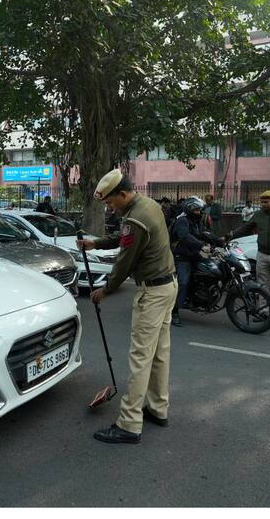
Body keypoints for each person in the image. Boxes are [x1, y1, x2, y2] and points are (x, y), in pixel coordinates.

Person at [77, 169, 177, 444]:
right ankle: (158, 409)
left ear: (123, 194)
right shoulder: (148, 205)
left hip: (152, 293)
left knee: (140, 359)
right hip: (168, 286)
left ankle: (130, 424)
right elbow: (125, 239)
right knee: (159, 354)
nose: (110, 208)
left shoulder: (135, 219)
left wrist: (105, 289)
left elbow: (124, 261)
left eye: (110, 203)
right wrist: (95, 243)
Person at [226, 190, 270, 328]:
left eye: (266, 202)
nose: (263, 205)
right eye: (262, 202)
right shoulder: (258, 215)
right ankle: (265, 312)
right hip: (262, 255)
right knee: (262, 285)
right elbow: (245, 228)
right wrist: (230, 235)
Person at [169, 196, 225, 326]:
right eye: (197, 210)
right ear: (189, 209)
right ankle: (174, 312)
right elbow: (184, 237)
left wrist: (219, 241)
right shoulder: (182, 220)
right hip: (181, 256)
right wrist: (201, 246)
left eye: (200, 210)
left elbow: (204, 233)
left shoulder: (195, 221)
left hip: (192, 254)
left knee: (209, 270)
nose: (200, 213)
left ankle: (200, 295)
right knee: (183, 282)